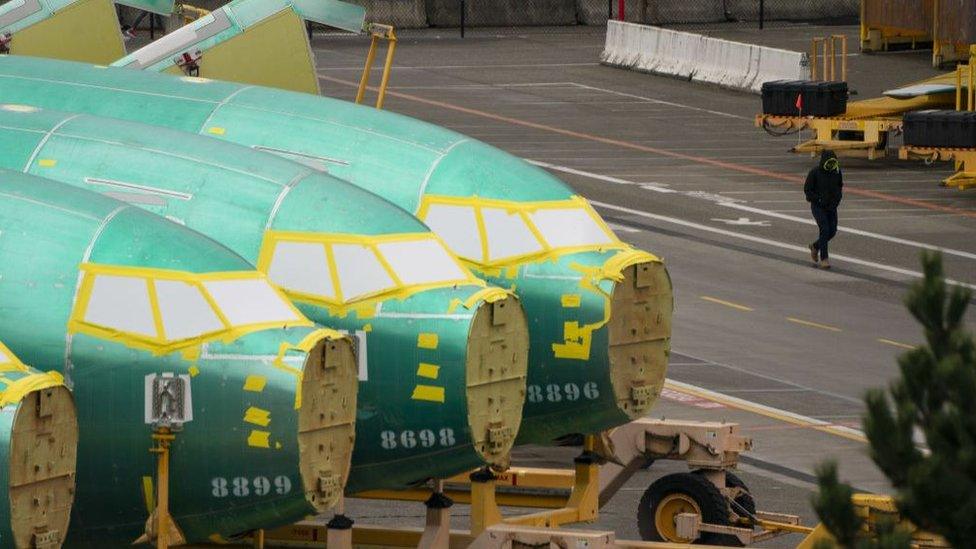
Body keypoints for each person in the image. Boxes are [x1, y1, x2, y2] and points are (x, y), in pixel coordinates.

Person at [804, 149, 842, 269]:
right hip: (818, 206)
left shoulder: (836, 172)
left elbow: (840, 186)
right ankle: (824, 258)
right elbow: (807, 190)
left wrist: (836, 200)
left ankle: (815, 246)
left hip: (831, 206)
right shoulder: (815, 172)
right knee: (825, 229)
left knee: (832, 231)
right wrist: (818, 199)